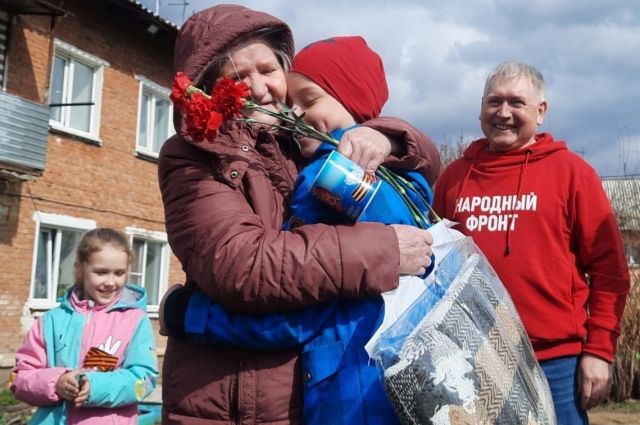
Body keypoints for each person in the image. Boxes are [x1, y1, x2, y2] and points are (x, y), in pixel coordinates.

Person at [158, 4, 440, 424]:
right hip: (231, 403)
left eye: (268, 71)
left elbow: (426, 164)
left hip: (311, 391)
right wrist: (383, 250)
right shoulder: (191, 157)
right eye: (237, 77)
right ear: (205, 89)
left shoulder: (303, 146)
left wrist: (386, 135)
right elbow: (244, 267)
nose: (258, 88)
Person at [432, 61, 630, 424]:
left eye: (516, 103)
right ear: (480, 109)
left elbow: (611, 272)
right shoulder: (454, 177)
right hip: (474, 359)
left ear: (541, 111)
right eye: (494, 101)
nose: (503, 113)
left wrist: (599, 352)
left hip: (556, 362)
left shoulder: (572, 173)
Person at [9, 228, 158, 425]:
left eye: (119, 273)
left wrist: (96, 386)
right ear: (80, 268)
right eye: (101, 272)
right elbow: (19, 378)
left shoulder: (135, 321)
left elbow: (144, 379)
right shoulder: (51, 321)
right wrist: (57, 383)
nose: (111, 282)